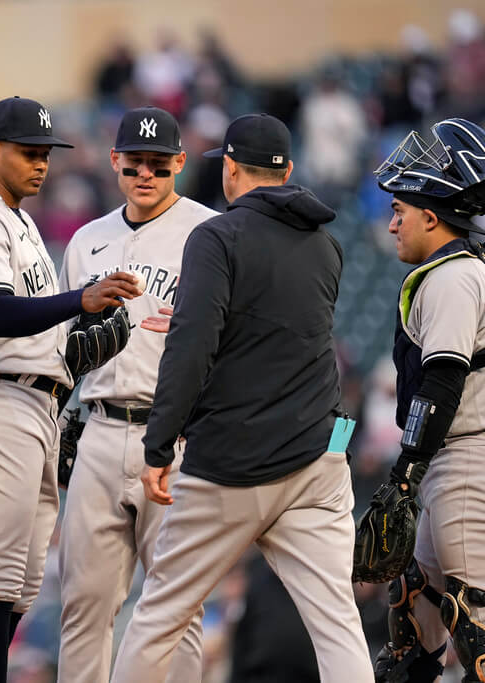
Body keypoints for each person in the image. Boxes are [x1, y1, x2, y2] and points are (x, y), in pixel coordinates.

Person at [108, 113, 374, 683]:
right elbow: (275, 337)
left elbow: (193, 348)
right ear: (289, 171)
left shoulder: (216, 236)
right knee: (338, 626)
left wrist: (158, 446)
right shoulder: (327, 245)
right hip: (319, 459)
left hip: (235, 463)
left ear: (229, 168)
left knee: (159, 617)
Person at [0, 96, 142, 682]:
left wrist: (74, 350)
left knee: (21, 584)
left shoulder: (17, 220)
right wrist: (82, 299)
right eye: (28, 152)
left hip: (30, 402)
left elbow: (29, 332)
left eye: (46, 153)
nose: (41, 164)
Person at [56, 106, 217, 683]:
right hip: (99, 427)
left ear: (179, 162)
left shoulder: (207, 233)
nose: (144, 174)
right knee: (83, 603)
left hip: (173, 437)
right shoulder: (85, 241)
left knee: (178, 606)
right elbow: (65, 346)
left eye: (157, 163)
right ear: (114, 162)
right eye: (134, 163)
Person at [370, 117, 485, 683]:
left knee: (476, 622)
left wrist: (406, 469)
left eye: (400, 212)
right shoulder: (450, 273)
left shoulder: (454, 276)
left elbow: (443, 379)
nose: (392, 223)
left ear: (431, 216)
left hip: (467, 458)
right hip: (452, 458)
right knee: (416, 615)